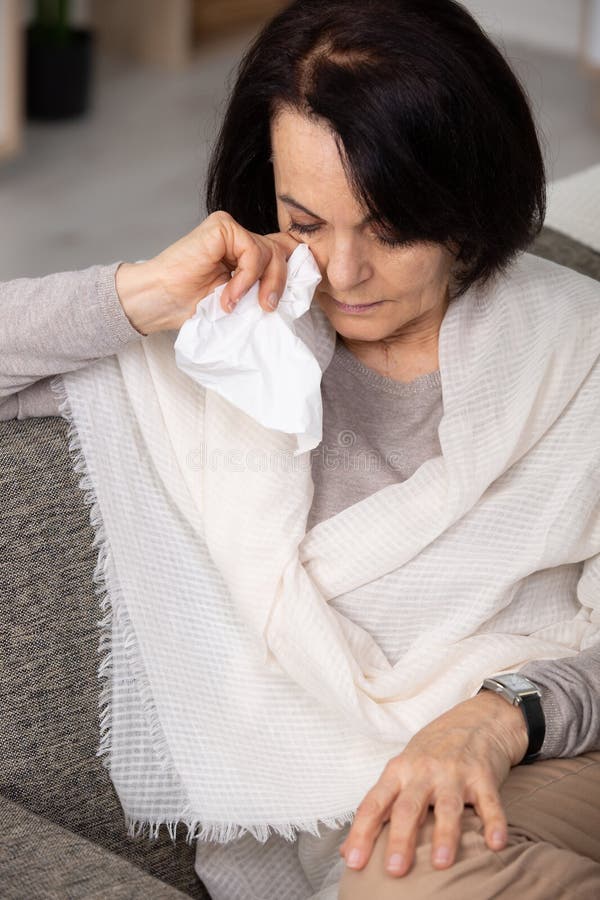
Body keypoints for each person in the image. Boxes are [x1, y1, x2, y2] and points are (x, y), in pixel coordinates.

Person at [2, 1, 600, 897]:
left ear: (467, 202)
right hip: (376, 804)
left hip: (559, 747)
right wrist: (141, 292)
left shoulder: (574, 349)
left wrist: (502, 713)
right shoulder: (220, 350)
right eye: (309, 220)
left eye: (392, 228)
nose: (349, 275)